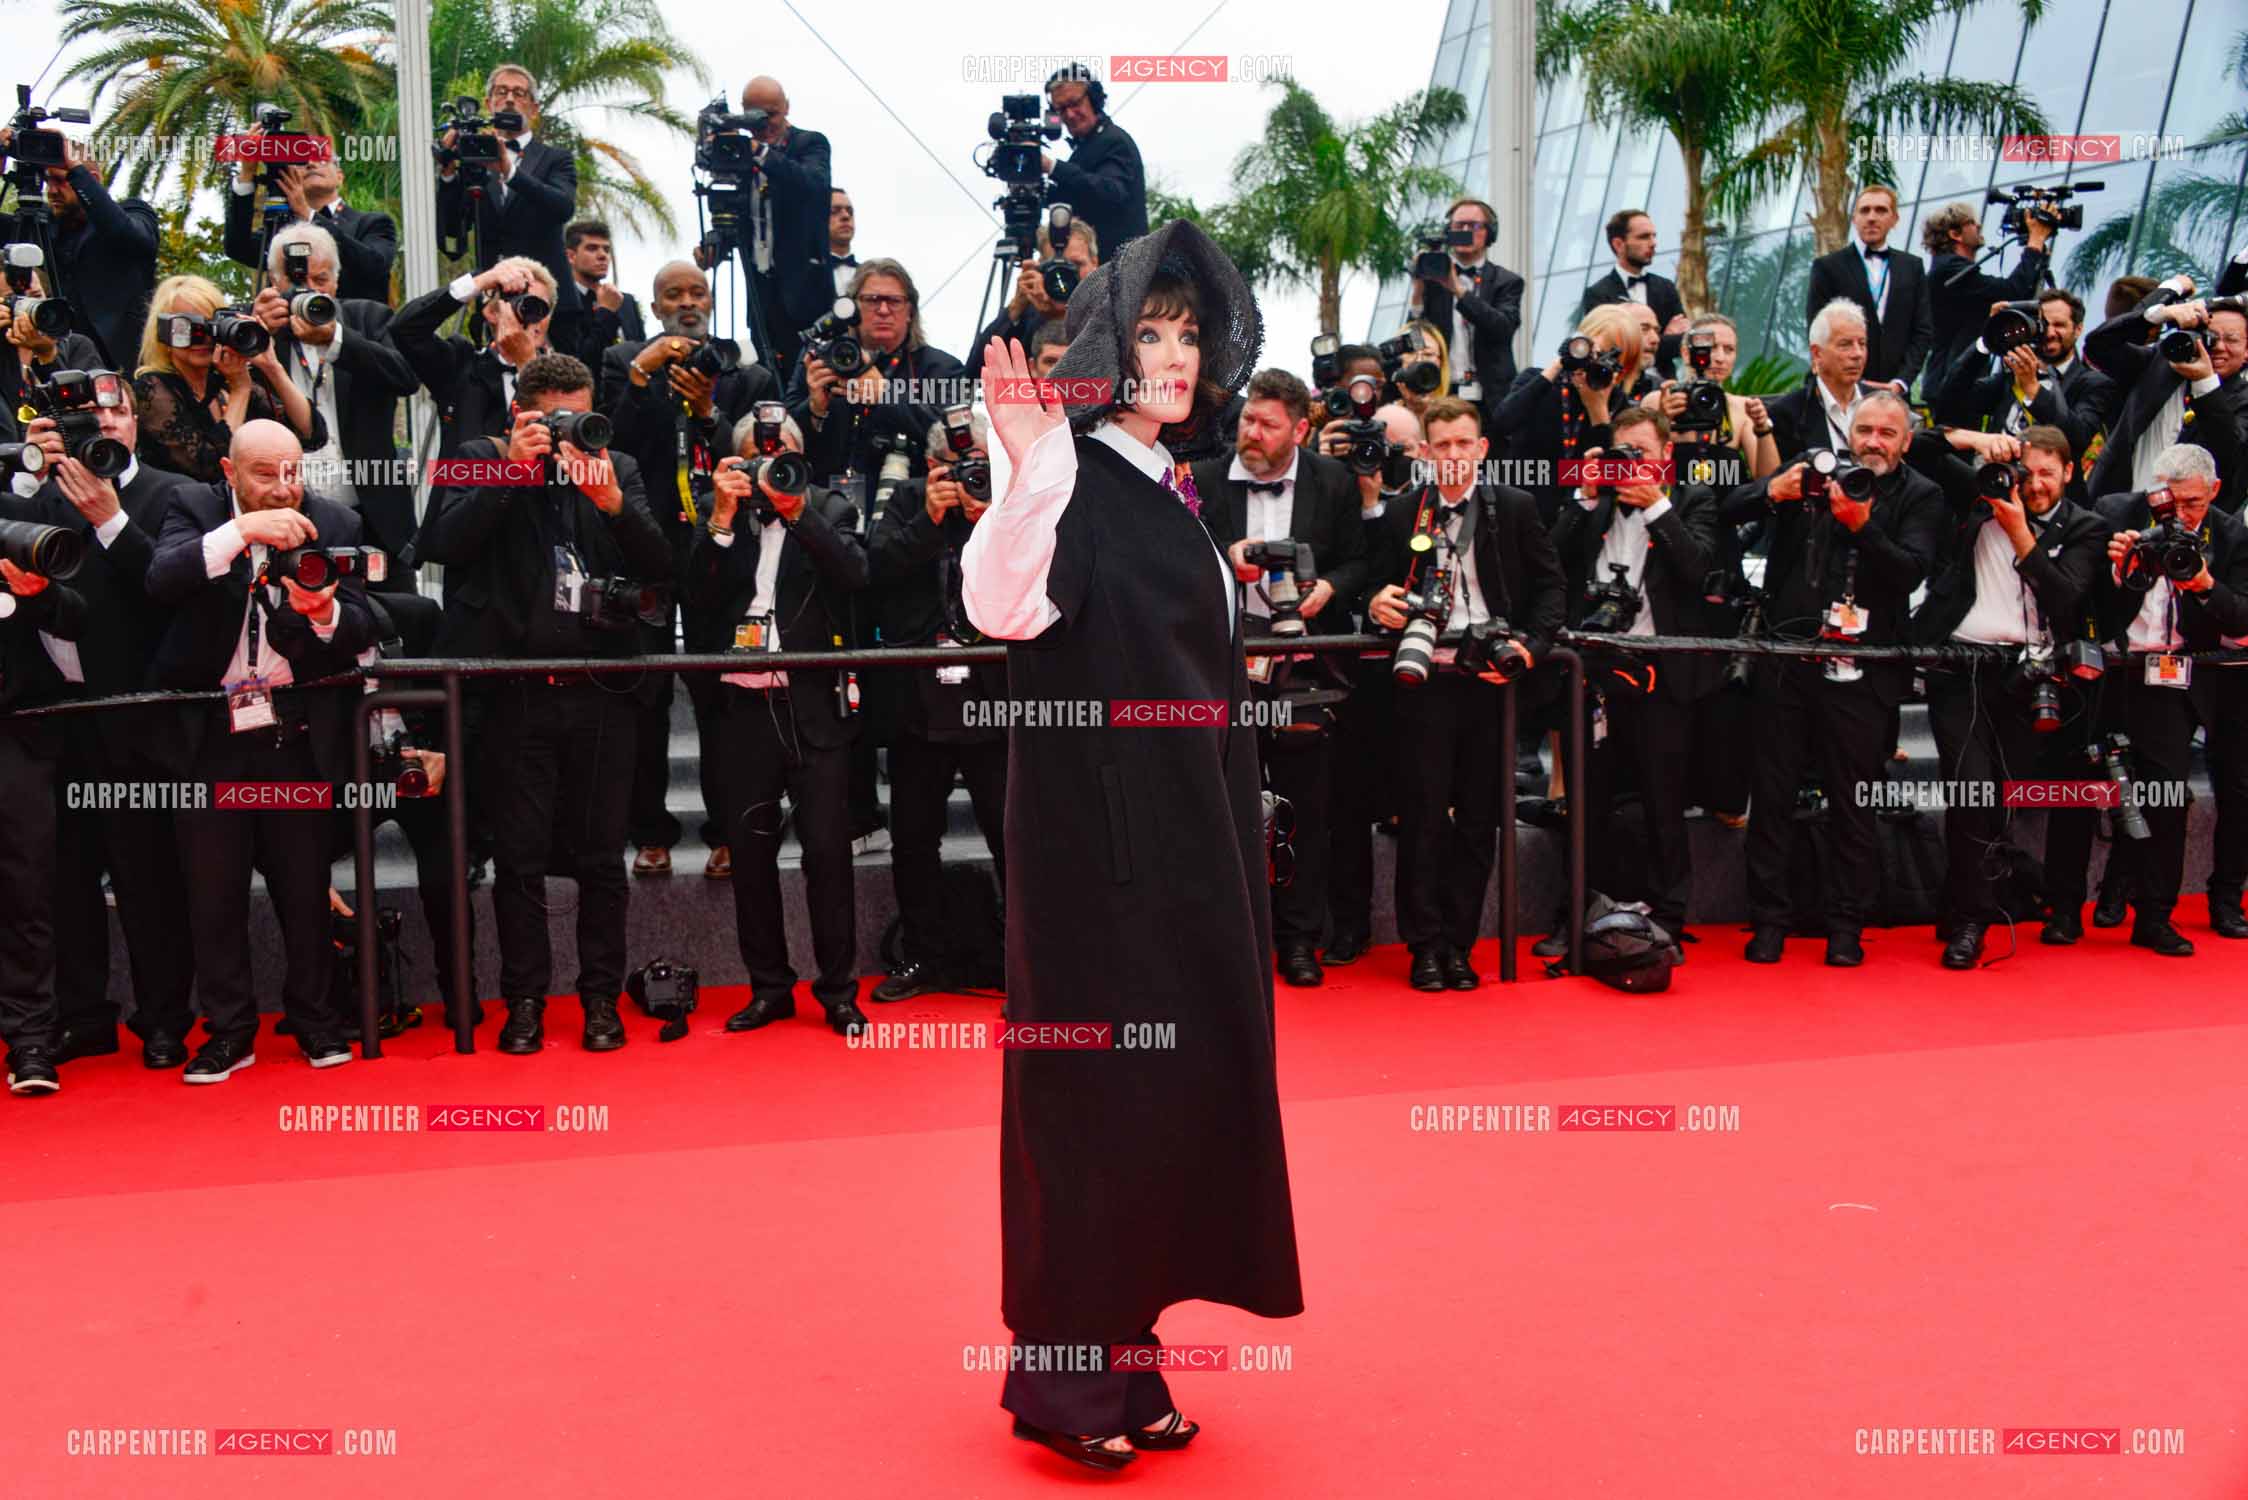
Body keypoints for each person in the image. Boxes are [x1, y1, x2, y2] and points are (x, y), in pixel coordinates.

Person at [960, 219, 1300, 1469]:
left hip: (1191, 851)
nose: (1173, 356)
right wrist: (1028, 457)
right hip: (1097, 866)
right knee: (1092, 1109)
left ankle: (1130, 1354)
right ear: (1107, 347)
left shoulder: (1171, 488)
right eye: (1149, 333)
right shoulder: (1068, 470)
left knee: (1173, 1101)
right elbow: (998, 604)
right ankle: (1063, 1385)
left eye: (1190, 335)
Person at [411, 353, 672, 1054]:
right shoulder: (478, 456)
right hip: (512, 696)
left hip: (602, 691)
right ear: (518, 415)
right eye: (549, 421)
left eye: (577, 419)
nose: (566, 436)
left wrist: (610, 501)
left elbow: (664, 567)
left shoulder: (615, 466)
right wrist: (512, 472)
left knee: (600, 859)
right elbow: (437, 544)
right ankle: (525, 1000)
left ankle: (600, 1001)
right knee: (518, 859)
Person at [145, 420, 381, 1081]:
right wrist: (244, 532)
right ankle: (229, 1032)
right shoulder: (192, 508)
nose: (284, 488)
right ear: (229, 471)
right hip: (210, 740)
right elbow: (162, 579)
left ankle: (316, 1022)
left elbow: (368, 622)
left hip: (293, 735)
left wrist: (324, 611)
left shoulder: (330, 519)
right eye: (265, 475)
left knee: (304, 892)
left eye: (293, 472)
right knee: (212, 897)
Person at [9, 382, 197, 1070]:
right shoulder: (36, 498)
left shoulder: (175, 495)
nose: (106, 424)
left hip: (134, 723)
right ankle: (83, 1016)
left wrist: (113, 521)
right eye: (89, 417)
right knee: (62, 877)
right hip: (49, 723)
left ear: (136, 424)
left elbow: (172, 590)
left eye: (117, 412)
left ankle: (166, 1017)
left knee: (147, 878)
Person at [1722, 390, 1947, 964]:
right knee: (1771, 797)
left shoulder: (1923, 494)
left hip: (1864, 671)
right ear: (1849, 430)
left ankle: (1846, 927)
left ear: (1905, 442)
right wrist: (1771, 490)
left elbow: (1910, 573)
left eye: (1886, 433)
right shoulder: (1815, 469)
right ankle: (1769, 921)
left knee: (1854, 804)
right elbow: (1726, 511)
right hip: (1788, 660)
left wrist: (1864, 526)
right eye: (1864, 429)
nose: (1872, 442)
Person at [1365, 397, 1568, 990]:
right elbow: (1372, 595)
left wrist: (1530, 646)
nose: (1452, 456)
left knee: (1481, 818)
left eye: (1463, 444)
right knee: (1424, 817)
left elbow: (1552, 590)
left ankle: (1459, 944)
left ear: (1481, 449)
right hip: (1424, 681)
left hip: (1492, 681)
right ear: (1425, 453)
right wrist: (1377, 603)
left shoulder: (1516, 506)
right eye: (1441, 446)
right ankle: (1424, 946)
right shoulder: (1404, 514)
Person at [690, 412, 871, 1035]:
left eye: (784, 450)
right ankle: (769, 987)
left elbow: (855, 574)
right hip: (743, 709)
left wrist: (797, 511)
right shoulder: (725, 511)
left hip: (813, 704)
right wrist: (719, 516)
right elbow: (696, 597)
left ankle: (839, 990)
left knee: (827, 853)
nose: (772, 462)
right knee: (751, 854)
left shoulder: (830, 506)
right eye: (758, 454)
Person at [600, 261, 781, 881]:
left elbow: (758, 456)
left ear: (710, 301)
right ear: (653, 308)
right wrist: (641, 376)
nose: (686, 303)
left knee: (718, 695)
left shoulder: (742, 371)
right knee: (644, 695)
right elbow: (615, 447)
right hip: (644, 549)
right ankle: (649, 830)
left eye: (696, 292)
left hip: (718, 551)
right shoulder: (624, 358)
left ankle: (727, 830)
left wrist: (707, 412)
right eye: (671, 294)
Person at [1193, 368, 1368, 987]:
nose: (1252, 433)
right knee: (1219, 808)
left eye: (1268, 425)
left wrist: (1328, 589)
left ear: (1300, 429)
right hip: (1223, 667)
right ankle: (1228, 941)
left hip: (1305, 668)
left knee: (1306, 808)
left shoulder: (1334, 481)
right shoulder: (1206, 480)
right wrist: (1223, 562)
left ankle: (1299, 940)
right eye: (1247, 420)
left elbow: (1358, 563)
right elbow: (1176, 565)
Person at [1908, 425, 2107, 967]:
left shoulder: (2087, 527)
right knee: (1971, 790)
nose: (2034, 485)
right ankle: (1972, 923)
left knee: (1996, 799)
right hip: (1961, 666)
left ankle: (1965, 902)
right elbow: (1919, 446)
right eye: (2027, 471)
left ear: (2069, 472)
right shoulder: (1982, 497)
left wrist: (2021, 533)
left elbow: (2066, 599)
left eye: (2047, 473)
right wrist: (1979, 443)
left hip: (2032, 676)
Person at [2045, 444, 2248, 956]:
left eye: (2192, 504)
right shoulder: (2115, 513)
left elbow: (2241, 615)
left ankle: (2155, 916)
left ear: (2215, 493)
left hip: (2172, 676)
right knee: (2076, 791)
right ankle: (2065, 910)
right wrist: (2122, 571)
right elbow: (2078, 596)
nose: (2179, 516)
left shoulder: (2230, 535)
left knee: (2166, 798)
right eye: (2169, 504)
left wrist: (2202, 582)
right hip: (2107, 669)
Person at [1552, 404, 1726, 951]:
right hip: (1595, 675)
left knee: (1663, 803)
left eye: (1641, 456)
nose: (1630, 467)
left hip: (1663, 678)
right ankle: (1578, 914)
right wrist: (1583, 495)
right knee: (1587, 805)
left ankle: (1669, 915)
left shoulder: (1693, 498)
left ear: (1665, 456)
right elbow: (1549, 565)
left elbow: (1702, 574)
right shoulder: (1593, 501)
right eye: (1622, 455)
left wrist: (1657, 508)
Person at [863, 413, 1008, 1002]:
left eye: (977, 463)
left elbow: (1041, 577)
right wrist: (930, 518)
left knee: (1010, 832)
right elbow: (873, 570)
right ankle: (922, 954)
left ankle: (1028, 960)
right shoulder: (902, 501)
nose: (969, 475)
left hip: (994, 696)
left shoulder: (1011, 496)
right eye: (956, 466)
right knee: (914, 837)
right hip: (917, 699)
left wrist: (991, 522)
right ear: (931, 466)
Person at [245, 223, 422, 561]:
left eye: (321, 280)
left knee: (395, 612)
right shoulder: (259, 332)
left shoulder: (367, 318)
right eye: (297, 282)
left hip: (375, 516)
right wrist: (256, 334)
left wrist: (335, 339)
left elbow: (408, 377)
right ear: (274, 282)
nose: (310, 291)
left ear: (337, 281)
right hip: (283, 515)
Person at [0, 514, 87, 1094]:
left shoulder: (14, 522)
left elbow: (82, 615)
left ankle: (30, 1041)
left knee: (25, 891)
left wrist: (42, 594)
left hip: (15, 739)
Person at [435, 64, 581, 348]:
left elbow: (562, 207)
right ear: (489, 103)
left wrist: (510, 172)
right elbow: (454, 231)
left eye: (519, 93)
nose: (510, 99)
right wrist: (449, 173)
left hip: (553, 303)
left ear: (534, 108)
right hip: (494, 300)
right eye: (501, 92)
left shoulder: (556, 158)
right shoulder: (473, 160)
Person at [131, 274, 325, 484]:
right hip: (183, 512)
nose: (202, 338)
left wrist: (273, 368)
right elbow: (211, 469)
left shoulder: (225, 382)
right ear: (163, 334)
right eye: (186, 328)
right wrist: (240, 390)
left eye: (209, 325)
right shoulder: (152, 389)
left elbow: (311, 433)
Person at [1929, 287, 2119, 497]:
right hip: (1992, 486)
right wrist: (1987, 340)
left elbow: (2078, 436)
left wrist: (2033, 390)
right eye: (2044, 324)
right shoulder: (2012, 376)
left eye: (2060, 325)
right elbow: (1950, 401)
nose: (2049, 333)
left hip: (2048, 497)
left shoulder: (2093, 383)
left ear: (2078, 329)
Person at [2084, 280, 2248, 513]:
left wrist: (2205, 382)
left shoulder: (2242, 399)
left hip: (2182, 531)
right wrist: (2160, 313)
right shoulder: (2158, 365)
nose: (2218, 347)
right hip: (2112, 509)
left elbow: (2231, 455)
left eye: (2231, 340)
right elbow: (2098, 346)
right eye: (2210, 337)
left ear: (2246, 352)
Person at [0, 131, 159, 369]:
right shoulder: (43, 225)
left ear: (91, 178)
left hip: (131, 366)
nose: (51, 190)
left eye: (61, 180)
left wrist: (74, 168)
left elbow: (128, 235)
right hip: (67, 364)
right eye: (47, 181)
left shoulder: (134, 213)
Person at [1492, 302, 1645, 524]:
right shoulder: (1539, 380)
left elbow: (1612, 474)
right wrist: (1559, 365)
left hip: (1579, 523)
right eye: (1597, 353)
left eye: (1613, 361)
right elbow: (1502, 422)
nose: (1600, 364)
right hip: (1521, 512)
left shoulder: (1621, 407)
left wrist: (1598, 411)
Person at [728, 76, 832, 373]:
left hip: (805, 294)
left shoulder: (810, 143)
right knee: (766, 375)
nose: (765, 124)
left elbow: (812, 184)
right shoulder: (739, 154)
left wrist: (759, 152)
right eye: (755, 116)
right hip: (761, 292)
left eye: (771, 114)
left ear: (786, 107)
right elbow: (733, 213)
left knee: (808, 375)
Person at [226, 144, 397, 305]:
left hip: (353, 330)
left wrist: (308, 214)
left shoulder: (374, 223)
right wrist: (247, 175)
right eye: (302, 161)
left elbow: (376, 267)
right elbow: (238, 247)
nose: (311, 164)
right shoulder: (282, 230)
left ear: (339, 176)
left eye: (322, 159)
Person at [1407, 196, 1524, 430]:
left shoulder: (1507, 281)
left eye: (1473, 226)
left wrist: (1458, 291)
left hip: (1491, 398)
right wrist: (1418, 290)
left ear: (1489, 234)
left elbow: (1502, 329)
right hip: (1444, 393)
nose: (1466, 231)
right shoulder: (1433, 279)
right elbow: (1415, 338)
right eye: (1459, 227)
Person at [1806, 184, 1934, 390]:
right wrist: (1856, 382)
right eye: (1865, 210)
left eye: (1881, 210)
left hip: (1895, 393)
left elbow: (1922, 331)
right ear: (1854, 218)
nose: (1872, 217)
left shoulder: (1912, 267)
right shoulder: (1827, 267)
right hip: (1841, 389)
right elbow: (1817, 330)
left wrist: (1902, 382)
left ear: (1895, 219)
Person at [1923, 197, 2053, 386]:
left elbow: (2018, 294)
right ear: (1955, 234)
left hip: (1954, 378)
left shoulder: (1948, 269)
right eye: (1971, 222)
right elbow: (2012, 292)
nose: (1979, 226)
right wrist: (2035, 241)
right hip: (1952, 382)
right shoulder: (1950, 271)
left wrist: (2037, 250)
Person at [965, 217, 1099, 382]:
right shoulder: (1028, 313)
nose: (1065, 276)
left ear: (1095, 264)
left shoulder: (1115, 309)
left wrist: (1062, 316)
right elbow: (974, 373)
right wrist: (1015, 308)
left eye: (1077, 264)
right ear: (1040, 266)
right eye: (1056, 267)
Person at [1041, 64, 1148, 263]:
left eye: (1075, 103)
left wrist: (1052, 167)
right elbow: (1078, 199)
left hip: (1122, 272)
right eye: (1061, 109)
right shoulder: (1083, 151)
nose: (1070, 115)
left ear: (1094, 99)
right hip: (1097, 275)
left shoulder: (1115, 141)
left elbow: (1110, 192)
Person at [1656, 312, 1780, 481]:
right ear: (1686, 353)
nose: (1720, 358)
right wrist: (1660, 423)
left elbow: (1769, 483)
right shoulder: (1659, 401)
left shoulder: (1743, 409)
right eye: (1711, 348)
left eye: (1729, 349)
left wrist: (1763, 428)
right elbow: (1627, 473)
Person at [1763, 299, 1889, 462]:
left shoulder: (1882, 405)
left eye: (1862, 344)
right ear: (1817, 353)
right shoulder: (1788, 414)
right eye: (1845, 345)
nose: (1857, 354)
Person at [1576, 209, 1686, 378]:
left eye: (1653, 236)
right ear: (1619, 244)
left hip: (1665, 383)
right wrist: (1664, 337)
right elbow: (1610, 347)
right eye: (1644, 237)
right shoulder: (1598, 293)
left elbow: (1682, 341)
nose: (1653, 243)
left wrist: (1641, 341)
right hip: (1620, 386)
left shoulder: (1665, 287)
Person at [564, 219, 645, 361]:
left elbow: (642, 352)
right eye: (592, 248)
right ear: (571, 256)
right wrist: (606, 312)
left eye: (606, 249)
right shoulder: (562, 302)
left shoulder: (626, 302)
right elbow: (581, 360)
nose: (603, 255)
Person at [828, 188, 858, 295]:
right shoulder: (802, 275)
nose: (846, 216)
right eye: (834, 211)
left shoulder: (871, 274)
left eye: (850, 211)